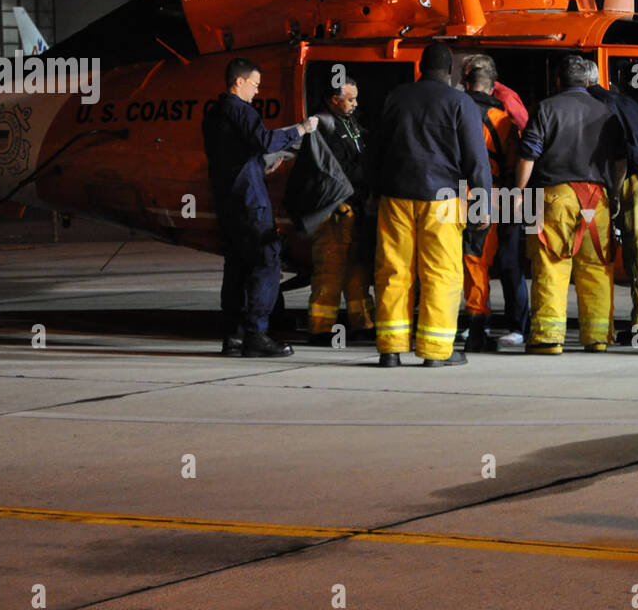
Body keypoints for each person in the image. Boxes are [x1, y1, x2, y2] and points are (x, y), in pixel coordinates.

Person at [370, 42, 491, 368]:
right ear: (450, 70)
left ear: (420, 67)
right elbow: (476, 159)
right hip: (442, 199)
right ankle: (436, 352)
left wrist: (372, 192)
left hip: (395, 197)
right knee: (441, 273)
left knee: (394, 271)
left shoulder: (396, 98)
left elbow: (377, 149)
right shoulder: (460, 102)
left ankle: (390, 350)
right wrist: (481, 203)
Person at [203, 57, 317, 357]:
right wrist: (301, 130)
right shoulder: (242, 111)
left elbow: (230, 156)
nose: (256, 92)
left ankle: (234, 336)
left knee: (236, 267)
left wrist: (258, 165)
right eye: (254, 85)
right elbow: (266, 140)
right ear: (238, 82)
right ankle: (257, 334)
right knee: (266, 260)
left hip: (226, 201)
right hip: (249, 202)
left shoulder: (213, 115)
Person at [514, 53, 626, 353]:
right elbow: (619, 162)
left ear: (558, 80)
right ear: (588, 81)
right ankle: (598, 338)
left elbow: (529, 154)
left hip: (555, 198)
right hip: (597, 199)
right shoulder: (606, 111)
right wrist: (613, 194)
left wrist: (519, 192)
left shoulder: (546, 108)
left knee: (551, 265)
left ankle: (548, 339)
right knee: (596, 269)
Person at [584, 59, 638, 344]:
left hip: (631, 183)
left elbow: (620, 156)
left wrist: (613, 193)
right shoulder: (621, 100)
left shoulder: (598, 106)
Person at [460, 53, 530, 348]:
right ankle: (516, 326)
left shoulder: (456, 112)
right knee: (510, 262)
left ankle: (476, 323)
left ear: (467, 83)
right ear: (492, 86)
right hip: (502, 193)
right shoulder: (503, 118)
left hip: (464, 194)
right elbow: (516, 160)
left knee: (473, 260)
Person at [307, 78, 375, 346]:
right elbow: (332, 169)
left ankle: (363, 323)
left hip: (354, 208)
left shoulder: (351, 123)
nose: (355, 104)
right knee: (330, 271)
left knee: (358, 271)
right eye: (350, 99)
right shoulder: (322, 125)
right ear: (334, 99)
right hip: (334, 211)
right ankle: (321, 328)